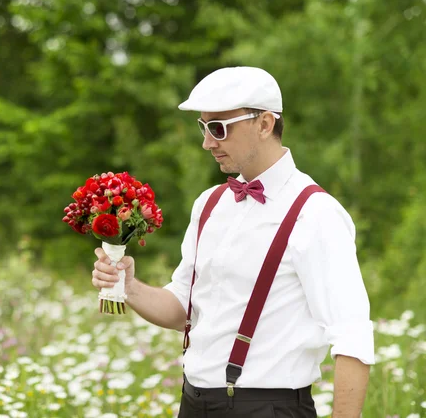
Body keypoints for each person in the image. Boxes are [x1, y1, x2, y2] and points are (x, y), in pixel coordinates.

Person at [91, 66, 374, 418]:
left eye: (219, 128)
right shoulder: (209, 204)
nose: (207, 142)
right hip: (193, 403)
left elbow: (352, 336)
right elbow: (182, 307)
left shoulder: (315, 214)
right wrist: (128, 286)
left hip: (270, 408)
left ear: (265, 124)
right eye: (204, 127)